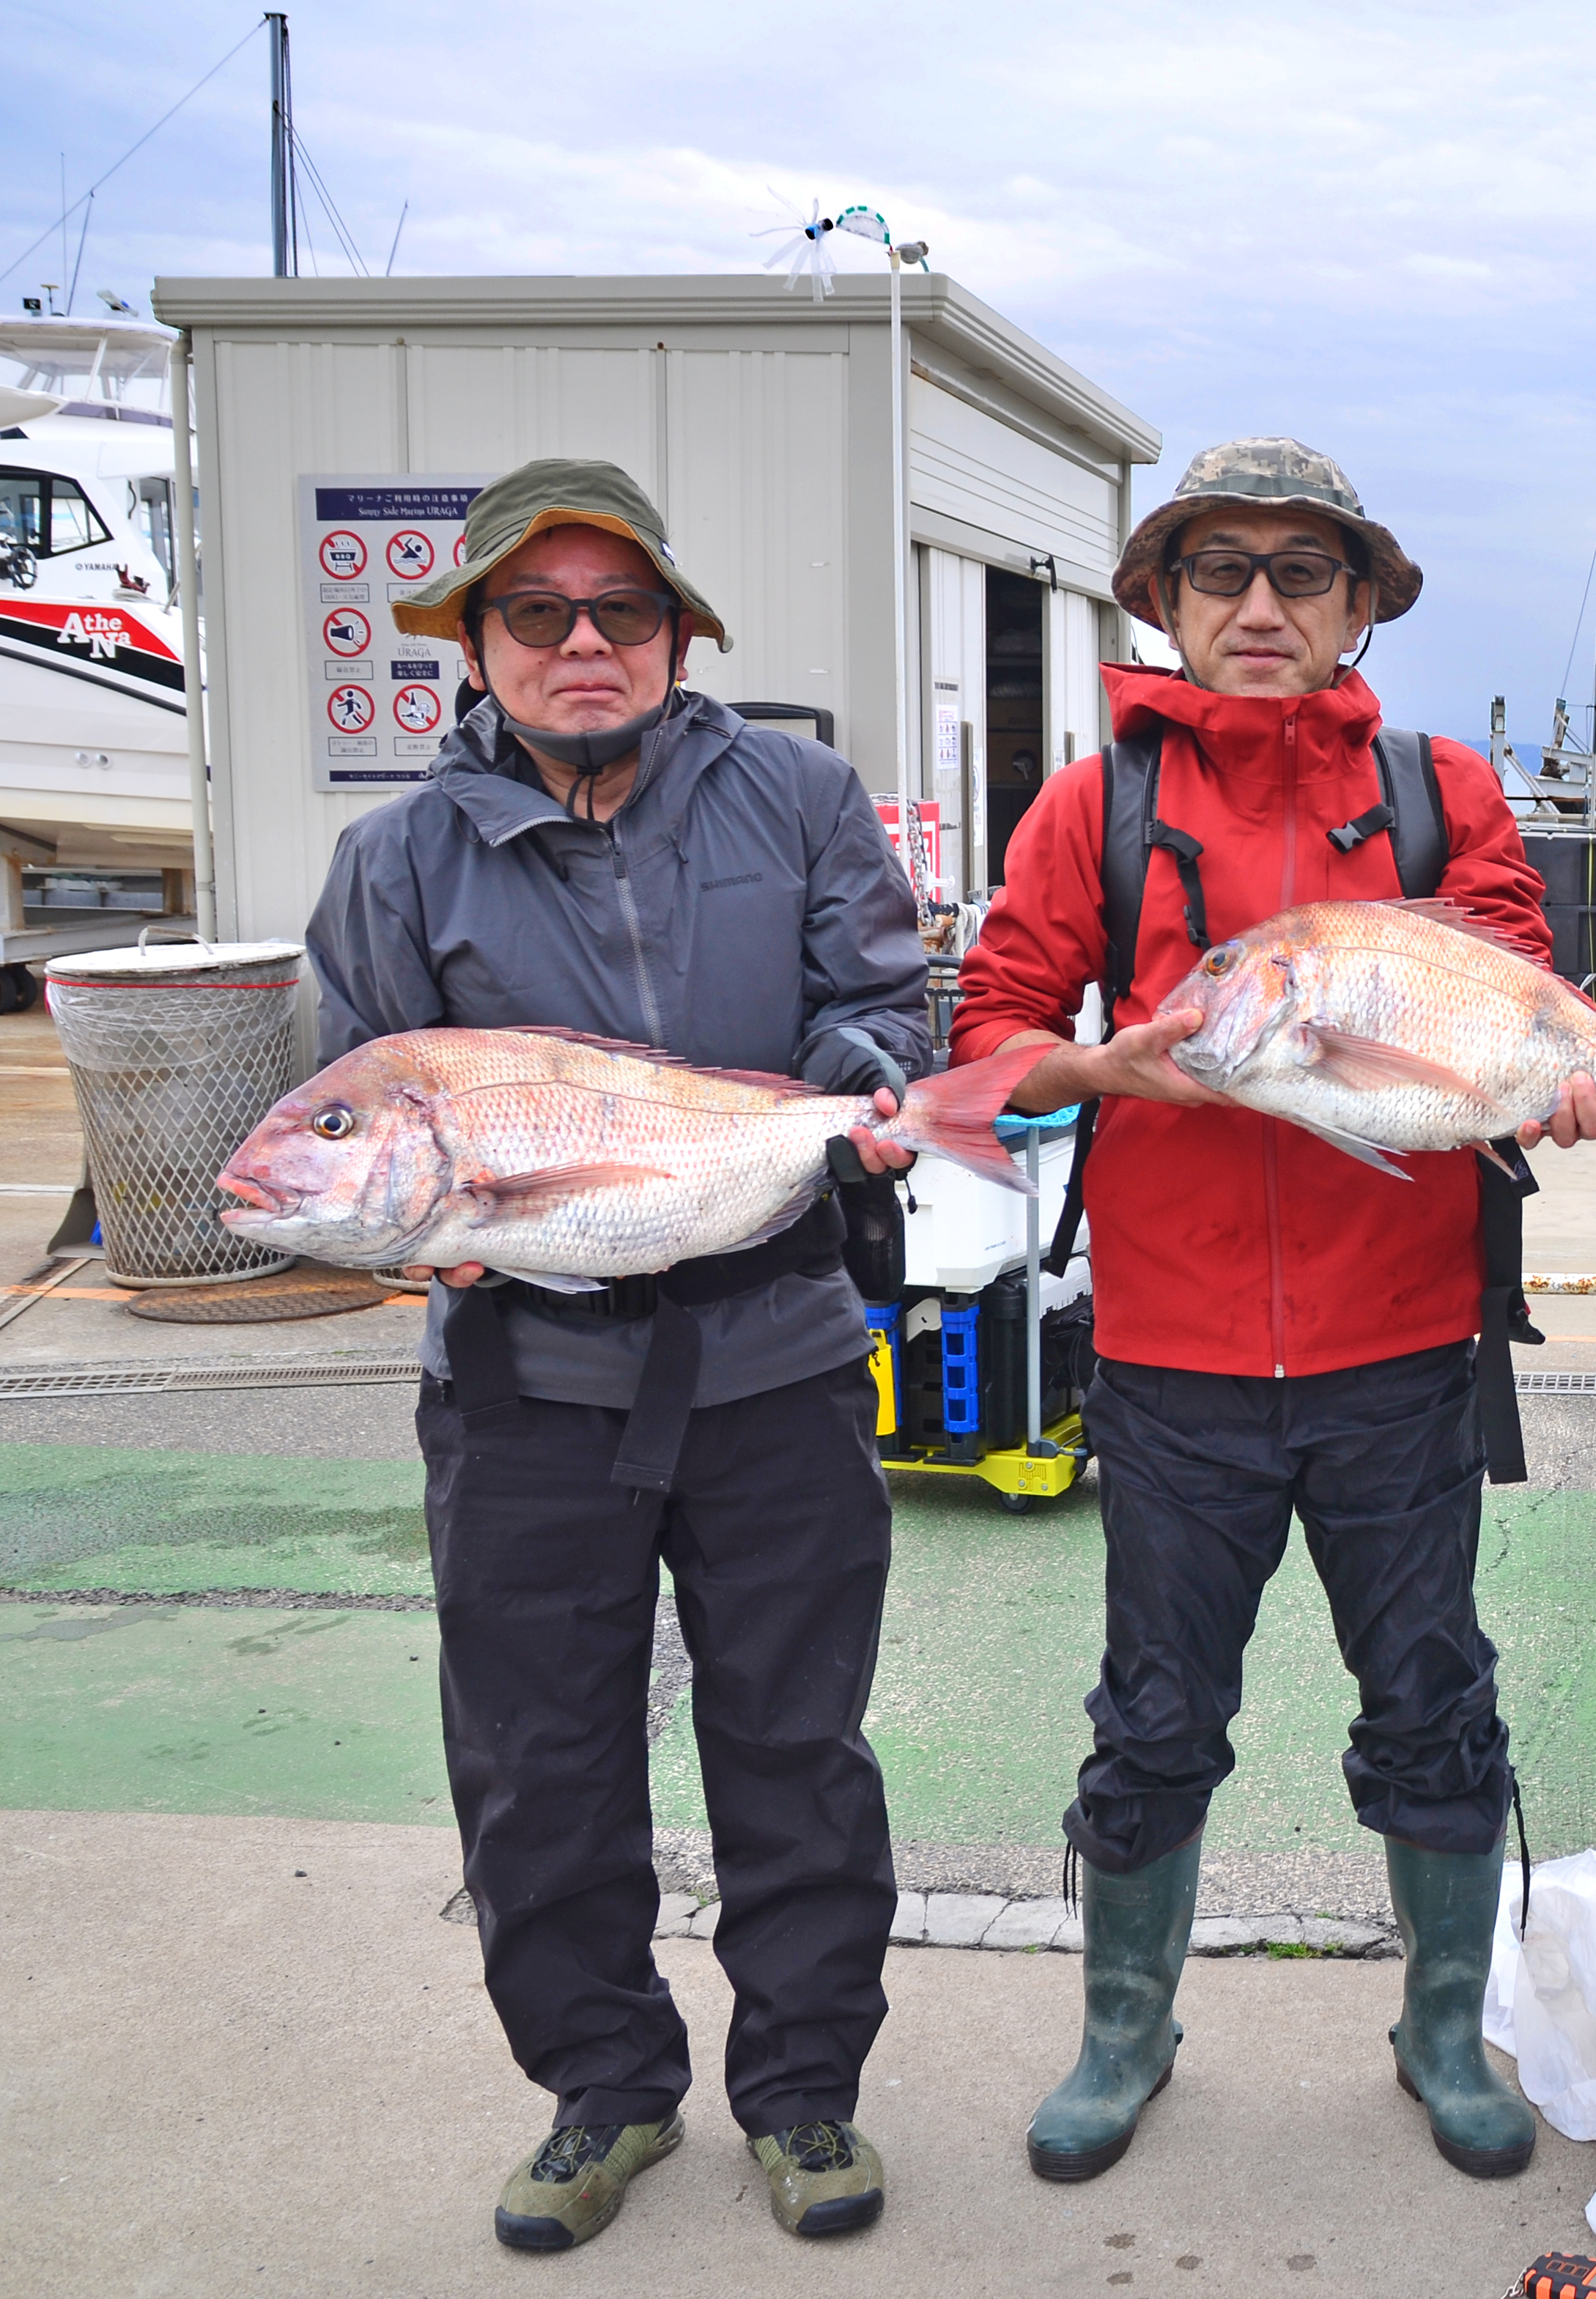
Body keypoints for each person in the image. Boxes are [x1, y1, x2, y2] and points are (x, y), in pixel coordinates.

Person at [953, 439, 1596, 2186]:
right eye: (1220, 574)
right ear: (1167, 605)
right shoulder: (1089, 804)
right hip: (1173, 1355)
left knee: (1430, 1696)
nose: (1259, 607)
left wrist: (1563, 1079)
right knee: (1155, 1711)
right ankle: (1126, 2027)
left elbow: (1516, 996)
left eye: (1301, 575)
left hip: (1401, 1351)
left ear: (1357, 608)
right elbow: (989, 1034)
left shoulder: (1442, 790)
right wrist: (1093, 1069)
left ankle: (1439, 2030)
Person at [311, 459, 931, 2248]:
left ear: (676, 632)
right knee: (533, 1762)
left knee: (797, 1746)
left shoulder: (803, 797)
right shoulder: (395, 860)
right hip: (523, 1392)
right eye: (538, 613)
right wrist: (410, 1234)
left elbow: (877, 1005)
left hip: (777, 1359)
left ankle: (806, 2096)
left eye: (623, 611)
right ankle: (604, 2089)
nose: (585, 642)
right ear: (476, 645)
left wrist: (865, 1094)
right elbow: (359, 1100)